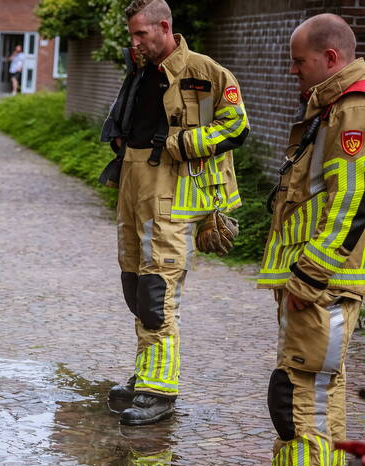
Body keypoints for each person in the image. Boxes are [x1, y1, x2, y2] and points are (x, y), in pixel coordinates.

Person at [243, 14, 365, 466]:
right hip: (320, 281)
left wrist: (309, 274)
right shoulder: (333, 107)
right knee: (323, 386)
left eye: (299, 62)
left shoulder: (352, 110)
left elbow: (352, 199)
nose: (294, 72)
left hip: (322, 282)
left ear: (331, 58)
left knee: (299, 389)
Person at [100, 0, 248, 425]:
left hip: (174, 194)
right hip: (134, 184)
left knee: (156, 294)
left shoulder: (206, 72)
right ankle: (148, 373)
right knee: (134, 283)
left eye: (140, 34)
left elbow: (236, 127)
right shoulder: (141, 68)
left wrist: (183, 145)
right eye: (131, 35)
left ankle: (159, 391)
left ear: (164, 27)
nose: (134, 42)